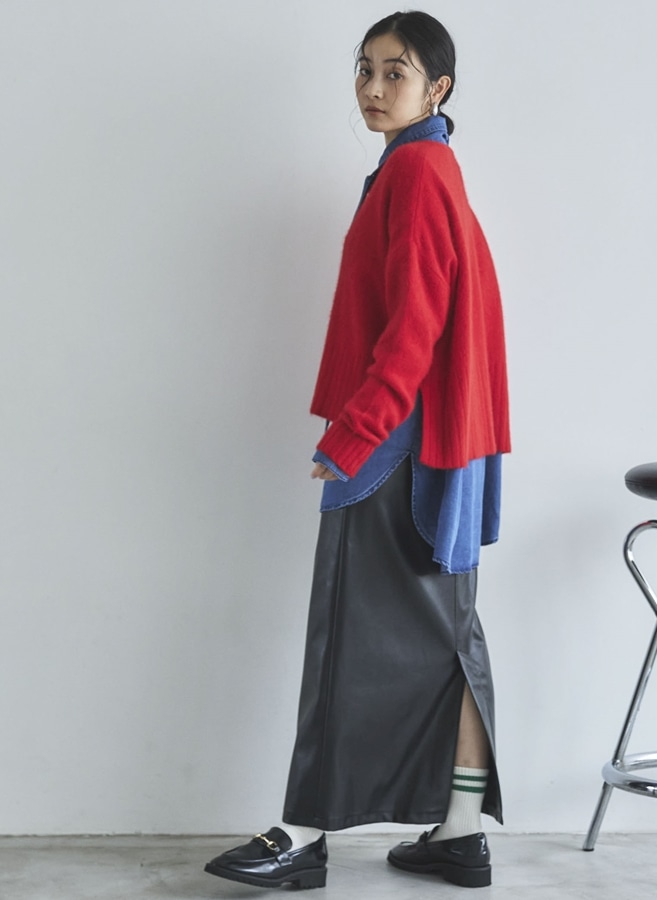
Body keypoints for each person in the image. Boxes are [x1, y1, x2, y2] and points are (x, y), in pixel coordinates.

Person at [204, 10, 510, 890]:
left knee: (346, 632)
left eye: (395, 73)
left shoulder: (415, 172)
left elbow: (416, 325)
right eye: (365, 69)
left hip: (398, 444)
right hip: (442, 441)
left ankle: (301, 836)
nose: (373, 88)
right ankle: (458, 831)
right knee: (448, 631)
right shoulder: (426, 166)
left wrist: (355, 432)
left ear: (437, 88)